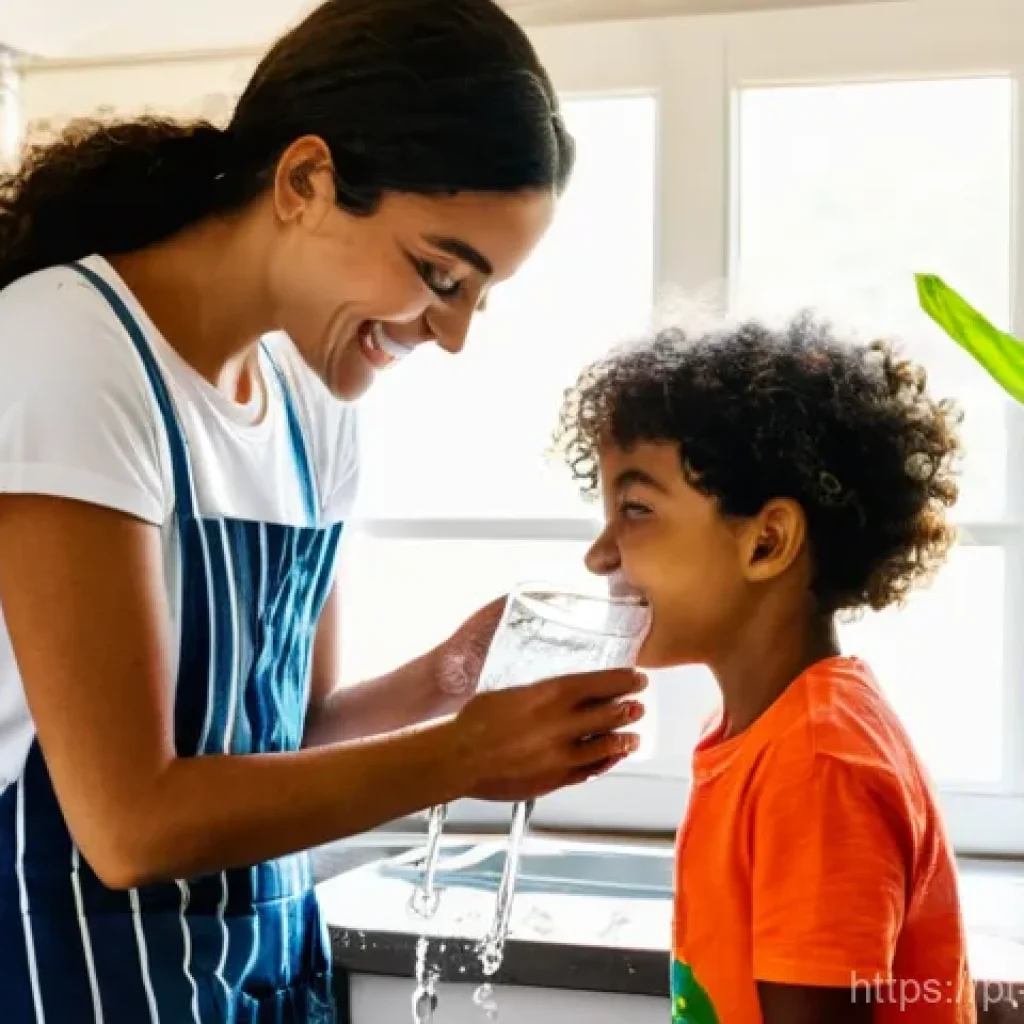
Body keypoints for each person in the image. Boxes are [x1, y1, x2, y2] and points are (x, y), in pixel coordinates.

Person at [0, 2, 648, 1021]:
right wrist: (466, 751)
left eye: (481, 294)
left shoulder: (310, 401)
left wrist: (443, 679)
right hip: (69, 977)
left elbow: (285, 737)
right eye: (439, 273)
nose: (454, 333)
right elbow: (128, 823)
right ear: (305, 181)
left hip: (258, 980)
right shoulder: (69, 354)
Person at [554, 313, 974, 1023]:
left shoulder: (816, 763)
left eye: (635, 508)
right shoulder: (765, 735)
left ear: (767, 540)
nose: (599, 554)